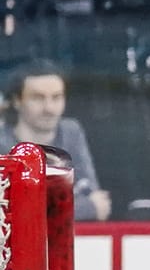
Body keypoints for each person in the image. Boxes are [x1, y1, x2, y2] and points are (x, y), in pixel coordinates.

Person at [0, 61, 112, 220]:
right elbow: (12, 212)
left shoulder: (70, 132)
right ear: (17, 101)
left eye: (57, 97)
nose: (49, 108)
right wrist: (86, 207)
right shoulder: (2, 142)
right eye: (38, 98)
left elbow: (98, 202)